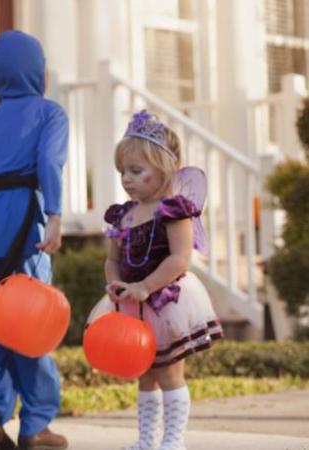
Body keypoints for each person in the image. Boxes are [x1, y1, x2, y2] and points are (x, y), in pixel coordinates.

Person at [0, 31, 69, 450]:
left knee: (1, 323)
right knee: (31, 325)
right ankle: (36, 426)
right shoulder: (50, 113)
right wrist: (55, 216)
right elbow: (48, 163)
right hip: (22, 227)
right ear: (38, 71)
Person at [93, 110, 223, 450]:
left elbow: (180, 258)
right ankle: (147, 440)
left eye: (136, 171)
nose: (127, 179)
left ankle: (173, 440)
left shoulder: (173, 210)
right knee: (144, 373)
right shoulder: (124, 214)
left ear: (164, 169)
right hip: (131, 303)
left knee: (168, 372)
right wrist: (115, 283)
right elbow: (112, 259)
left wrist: (145, 286)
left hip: (164, 301)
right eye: (123, 171)